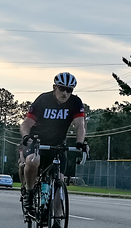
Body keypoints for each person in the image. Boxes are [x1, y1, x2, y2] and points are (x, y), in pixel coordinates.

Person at [20, 72, 90, 200]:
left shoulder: (75, 102)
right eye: (61, 88)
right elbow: (26, 123)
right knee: (32, 161)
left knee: (60, 179)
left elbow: (80, 125)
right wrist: (25, 136)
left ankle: (58, 212)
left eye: (69, 90)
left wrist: (80, 142)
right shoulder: (43, 100)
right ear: (54, 87)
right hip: (36, 141)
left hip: (57, 144)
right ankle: (29, 193)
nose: (65, 93)